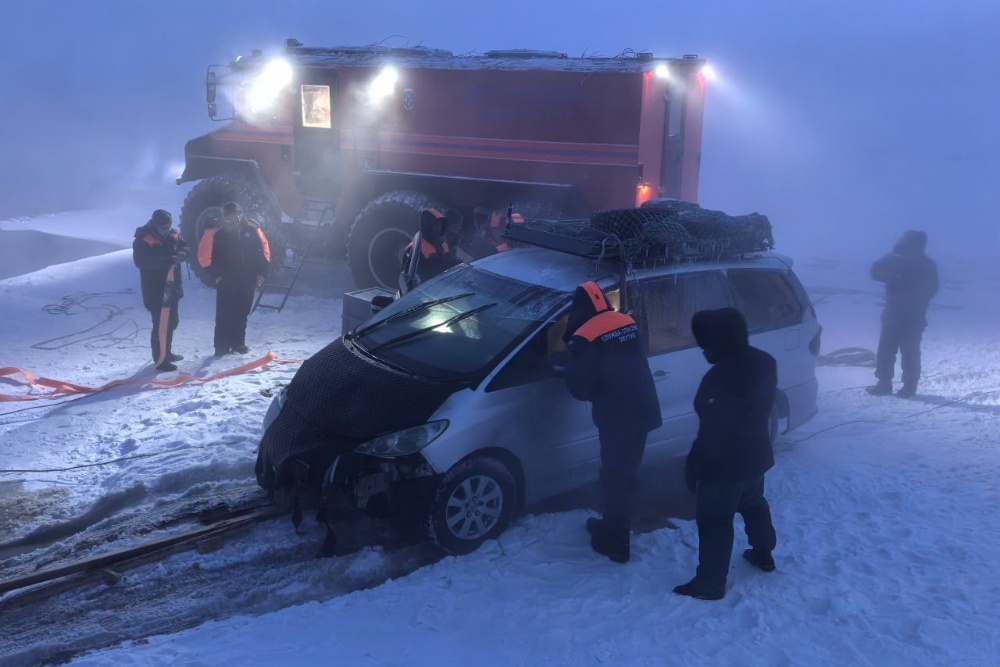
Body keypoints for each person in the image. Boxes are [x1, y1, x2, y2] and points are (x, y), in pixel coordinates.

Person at [674, 308, 778, 601]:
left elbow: (714, 429)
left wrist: (695, 464)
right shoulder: (764, 361)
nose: (704, 352)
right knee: (754, 504)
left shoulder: (721, 376)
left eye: (706, 346)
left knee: (715, 519)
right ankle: (763, 553)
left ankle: (709, 584)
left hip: (725, 465)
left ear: (720, 341)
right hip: (756, 455)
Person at [563, 281, 661, 563]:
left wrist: (569, 366)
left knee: (614, 477)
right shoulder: (625, 321)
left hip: (618, 417)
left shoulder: (584, 336)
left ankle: (616, 543)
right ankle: (619, 521)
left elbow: (580, 389)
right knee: (628, 471)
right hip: (644, 408)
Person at [867, 230, 939, 398]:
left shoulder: (927, 264)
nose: (903, 243)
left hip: (913, 316)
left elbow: (930, 289)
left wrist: (905, 301)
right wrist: (890, 257)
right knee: (885, 349)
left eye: (906, 241)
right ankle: (883, 383)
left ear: (917, 244)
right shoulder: (896, 260)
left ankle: (909, 387)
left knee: (910, 352)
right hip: (892, 313)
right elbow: (875, 273)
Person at [197, 202, 271, 356]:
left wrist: (261, 273)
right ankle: (221, 346)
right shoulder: (218, 234)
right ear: (225, 216)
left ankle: (238, 343)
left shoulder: (251, 231)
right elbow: (206, 258)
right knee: (224, 313)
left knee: (242, 311)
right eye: (230, 215)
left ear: (241, 214)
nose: (234, 218)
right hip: (226, 280)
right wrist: (216, 275)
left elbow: (262, 253)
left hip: (247, 278)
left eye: (237, 214)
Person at [133, 209, 188, 372]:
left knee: (172, 322)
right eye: (163, 228)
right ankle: (160, 358)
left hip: (172, 288)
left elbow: (186, 248)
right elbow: (141, 261)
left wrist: (181, 255)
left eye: (168, 227)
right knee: (160, 324)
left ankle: (167, 352)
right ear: (155, 225)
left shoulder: (173, 235)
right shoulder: (142, 239)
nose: (166, 230)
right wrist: (166, 261)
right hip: (155, 289)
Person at [401, 208, 460, 288]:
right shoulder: (414, 248)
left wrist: (461, 265)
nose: (439, 229)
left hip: (444, 288)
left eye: (441, 225)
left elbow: (450, 265)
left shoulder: (443, 245)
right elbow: (415, 278)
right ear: (428, 226)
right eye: (437, 225)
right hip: (425, 291)